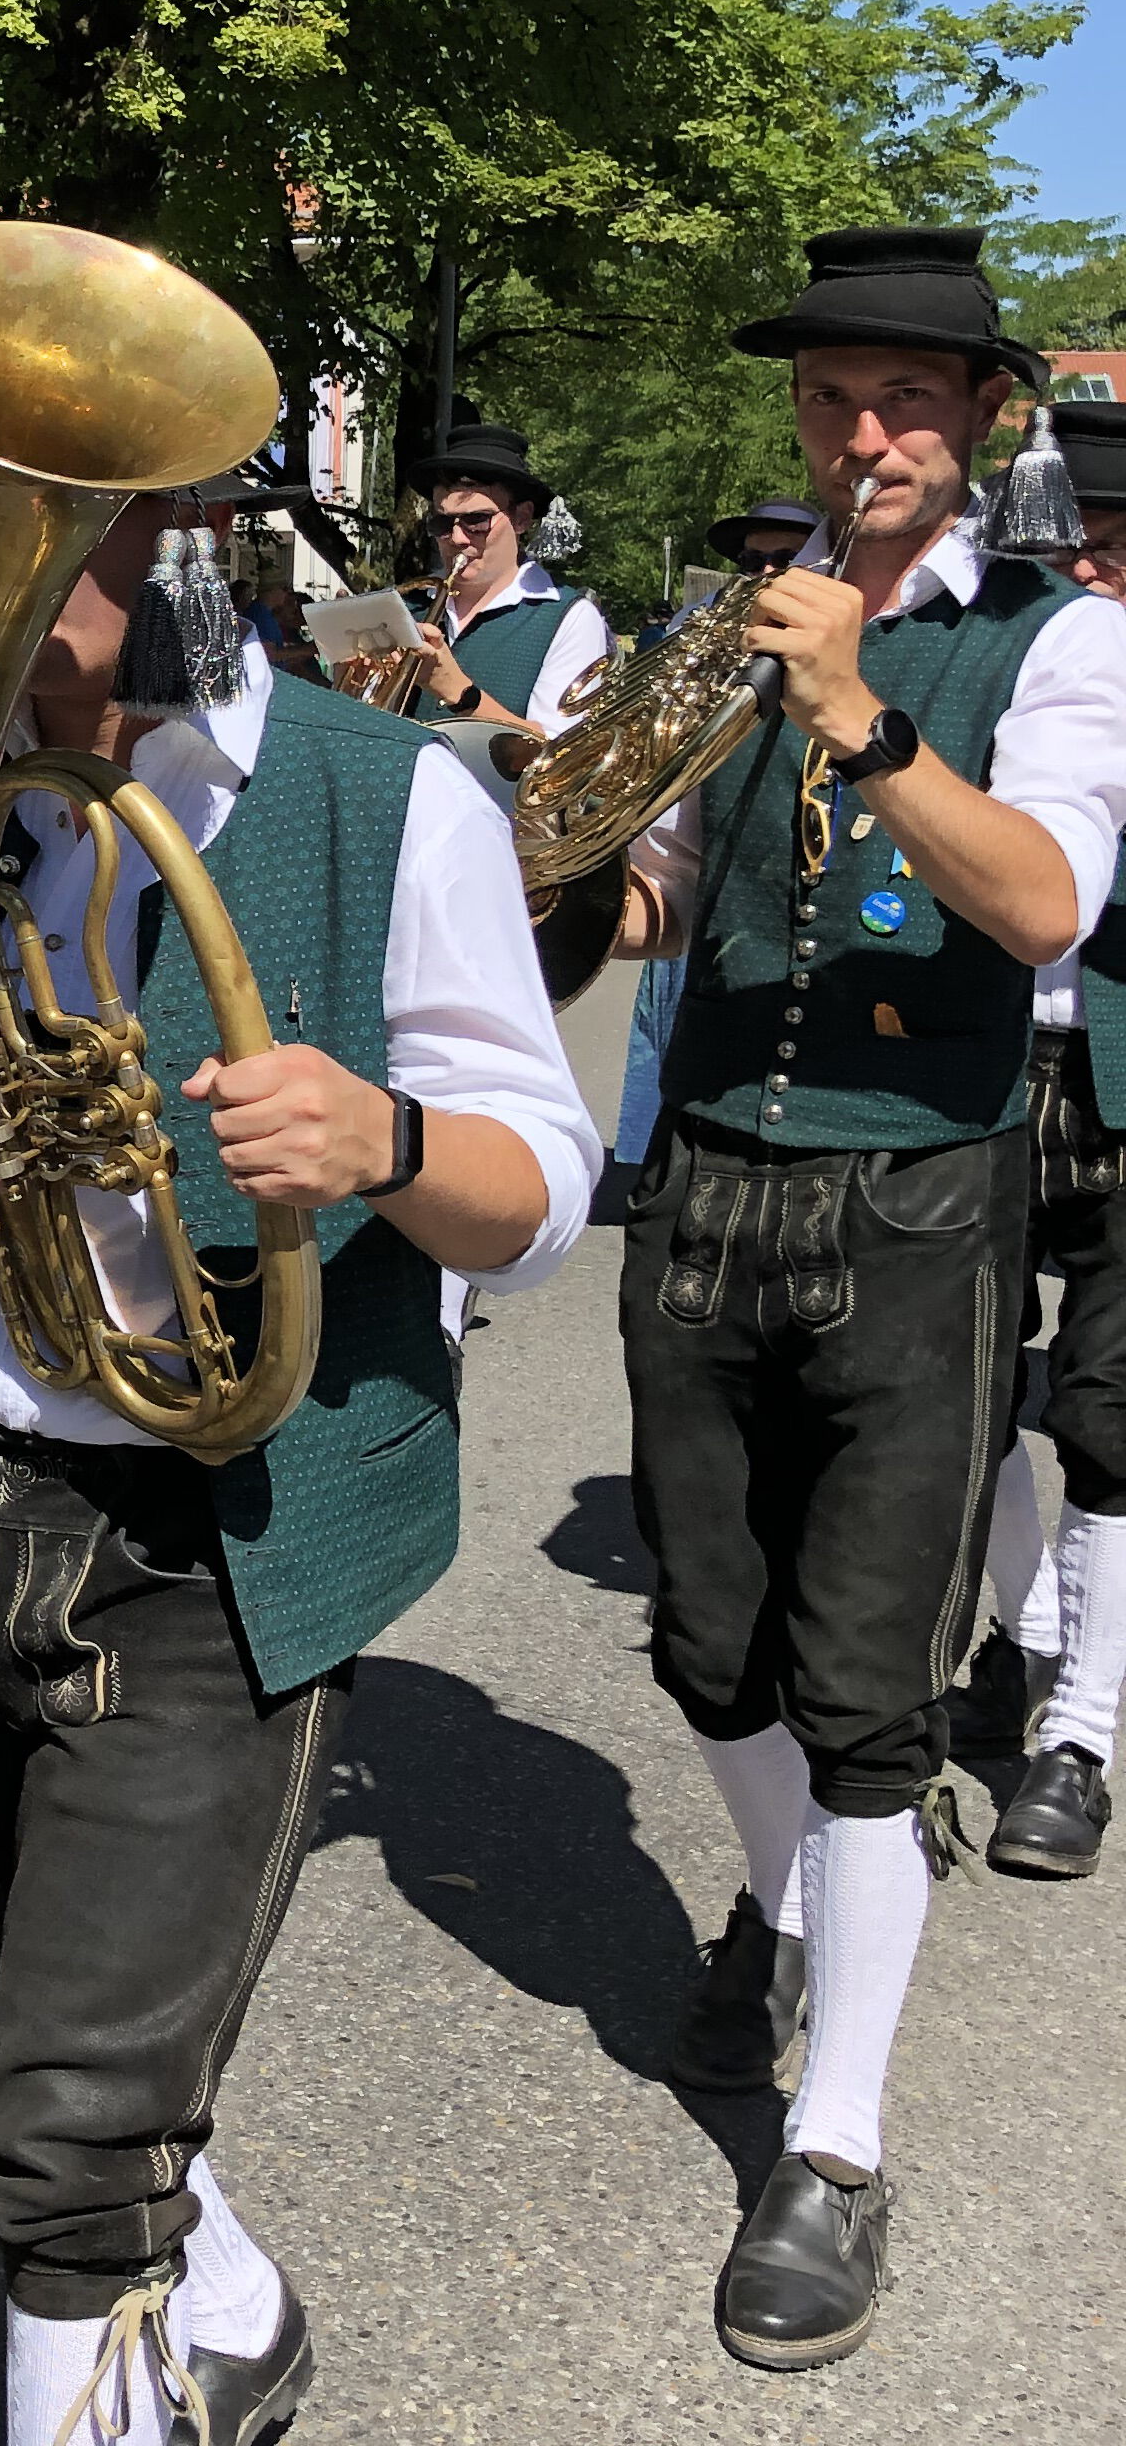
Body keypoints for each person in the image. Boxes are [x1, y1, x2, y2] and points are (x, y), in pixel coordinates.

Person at [0, 484, 597, 2446]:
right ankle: (229, 2300)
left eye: (66, 521)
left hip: (211, 1535)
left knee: (66, 2144)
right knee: (9, 2049)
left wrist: (384, 1143)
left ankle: (125, 2311)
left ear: (186, 535)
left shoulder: (393, 793)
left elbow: (543, 1188)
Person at [612, 228, 1126, 2370]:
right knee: (703, 1644)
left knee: (863, 1686)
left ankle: (833, 2140)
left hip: (920, 1202)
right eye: (831, 400)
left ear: (984, 418)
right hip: (708, 1186)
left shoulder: (1056, 641)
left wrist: (857, 713)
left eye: (910, 400)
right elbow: (665, 900)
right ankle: (794, 1899)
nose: (866, 437)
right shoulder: (718, 625)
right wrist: (580, 853)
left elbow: (1045, 898)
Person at [954, 400, 1126, 1875]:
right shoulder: (1024, 662)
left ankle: (1082, 1736)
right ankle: (1031, 1638)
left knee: (1112, 1416)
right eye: (1071, 551)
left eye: (1114, 554)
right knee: (972, 1382)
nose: (1086, 579)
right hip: (990, 1063)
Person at [604, 500, 822, 1193]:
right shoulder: (698, 639)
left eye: (785, 560)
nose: (765, 574)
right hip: (696, 893)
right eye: (752, 562)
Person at [397, 418, 612, 733]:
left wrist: (461, 695)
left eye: (476, 520)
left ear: (521, 518)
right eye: (442, 523)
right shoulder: (406, 606)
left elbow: (559, 753)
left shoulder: (566, 617)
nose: (456, 538)